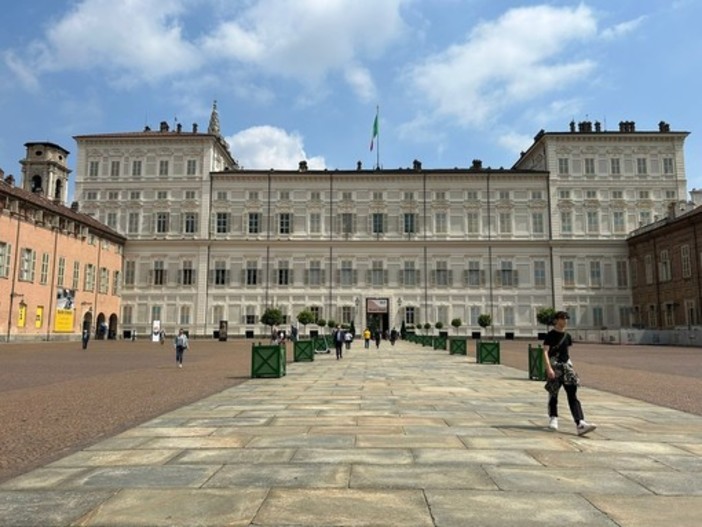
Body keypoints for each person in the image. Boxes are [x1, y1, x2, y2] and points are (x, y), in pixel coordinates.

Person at [543, 311, 596, 436]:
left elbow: (566, 353)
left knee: (573, 394)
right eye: (562, 318)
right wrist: (548, 368)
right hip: (555, 367)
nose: (565, 320)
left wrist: (571, 367)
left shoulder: (567, 336)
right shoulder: (550, 335)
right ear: (556, 320)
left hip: (567, 367)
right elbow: (545, 352)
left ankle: (580, 423)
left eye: (566, 318)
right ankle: (553, 417)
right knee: (553, 393)